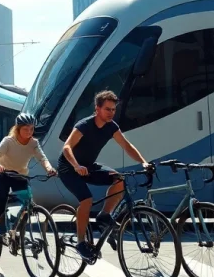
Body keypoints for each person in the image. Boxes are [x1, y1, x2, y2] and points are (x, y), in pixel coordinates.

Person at [58, 90, 151, 259]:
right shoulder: (84, 125)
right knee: (86, 200)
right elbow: (67, 147)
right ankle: (80, 242)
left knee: (119, 179)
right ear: (97, 109)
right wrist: (76, 165)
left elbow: (127, 146)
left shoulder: (111, 127)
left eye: (113, 109)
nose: (111, 113)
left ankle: (104, 215)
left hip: (88, 166)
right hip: (69, 168)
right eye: (107, 109)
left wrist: (144, 162)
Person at [0, 112, 56, 244]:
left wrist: (49, 168)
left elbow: (42, 158)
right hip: (3, 173)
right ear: (18, 129)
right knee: (2, 197)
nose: (29, 132)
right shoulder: (9, 141)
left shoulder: (33, 143)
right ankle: (1, 226)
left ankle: (14, 227)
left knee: (27, 203)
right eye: (25, 129)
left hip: (19, 175)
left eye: (31, 129)